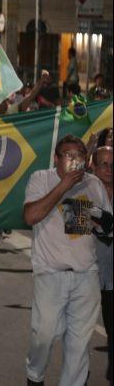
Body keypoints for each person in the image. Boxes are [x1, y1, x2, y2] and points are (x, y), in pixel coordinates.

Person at [23, 134, 112, 386]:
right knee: (43, 335)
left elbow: (98, 229)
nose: (75, 162)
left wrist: (99, 220)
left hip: (86, 275)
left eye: (80, 157)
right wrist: (65, 185)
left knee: (79, 345)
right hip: (50, 274)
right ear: (56, 158)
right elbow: (30, 216)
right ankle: (35, 375)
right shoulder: (41, 179)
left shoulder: (93, 184)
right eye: (69, 156)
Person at [91, 137, 113, 383]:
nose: (108, 169)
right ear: (94, 168)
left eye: (113, 165)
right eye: (104, 164)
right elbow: (73, 233)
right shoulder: (81, 193)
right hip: (87, 275)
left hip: (112, 279)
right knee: (78, 336)